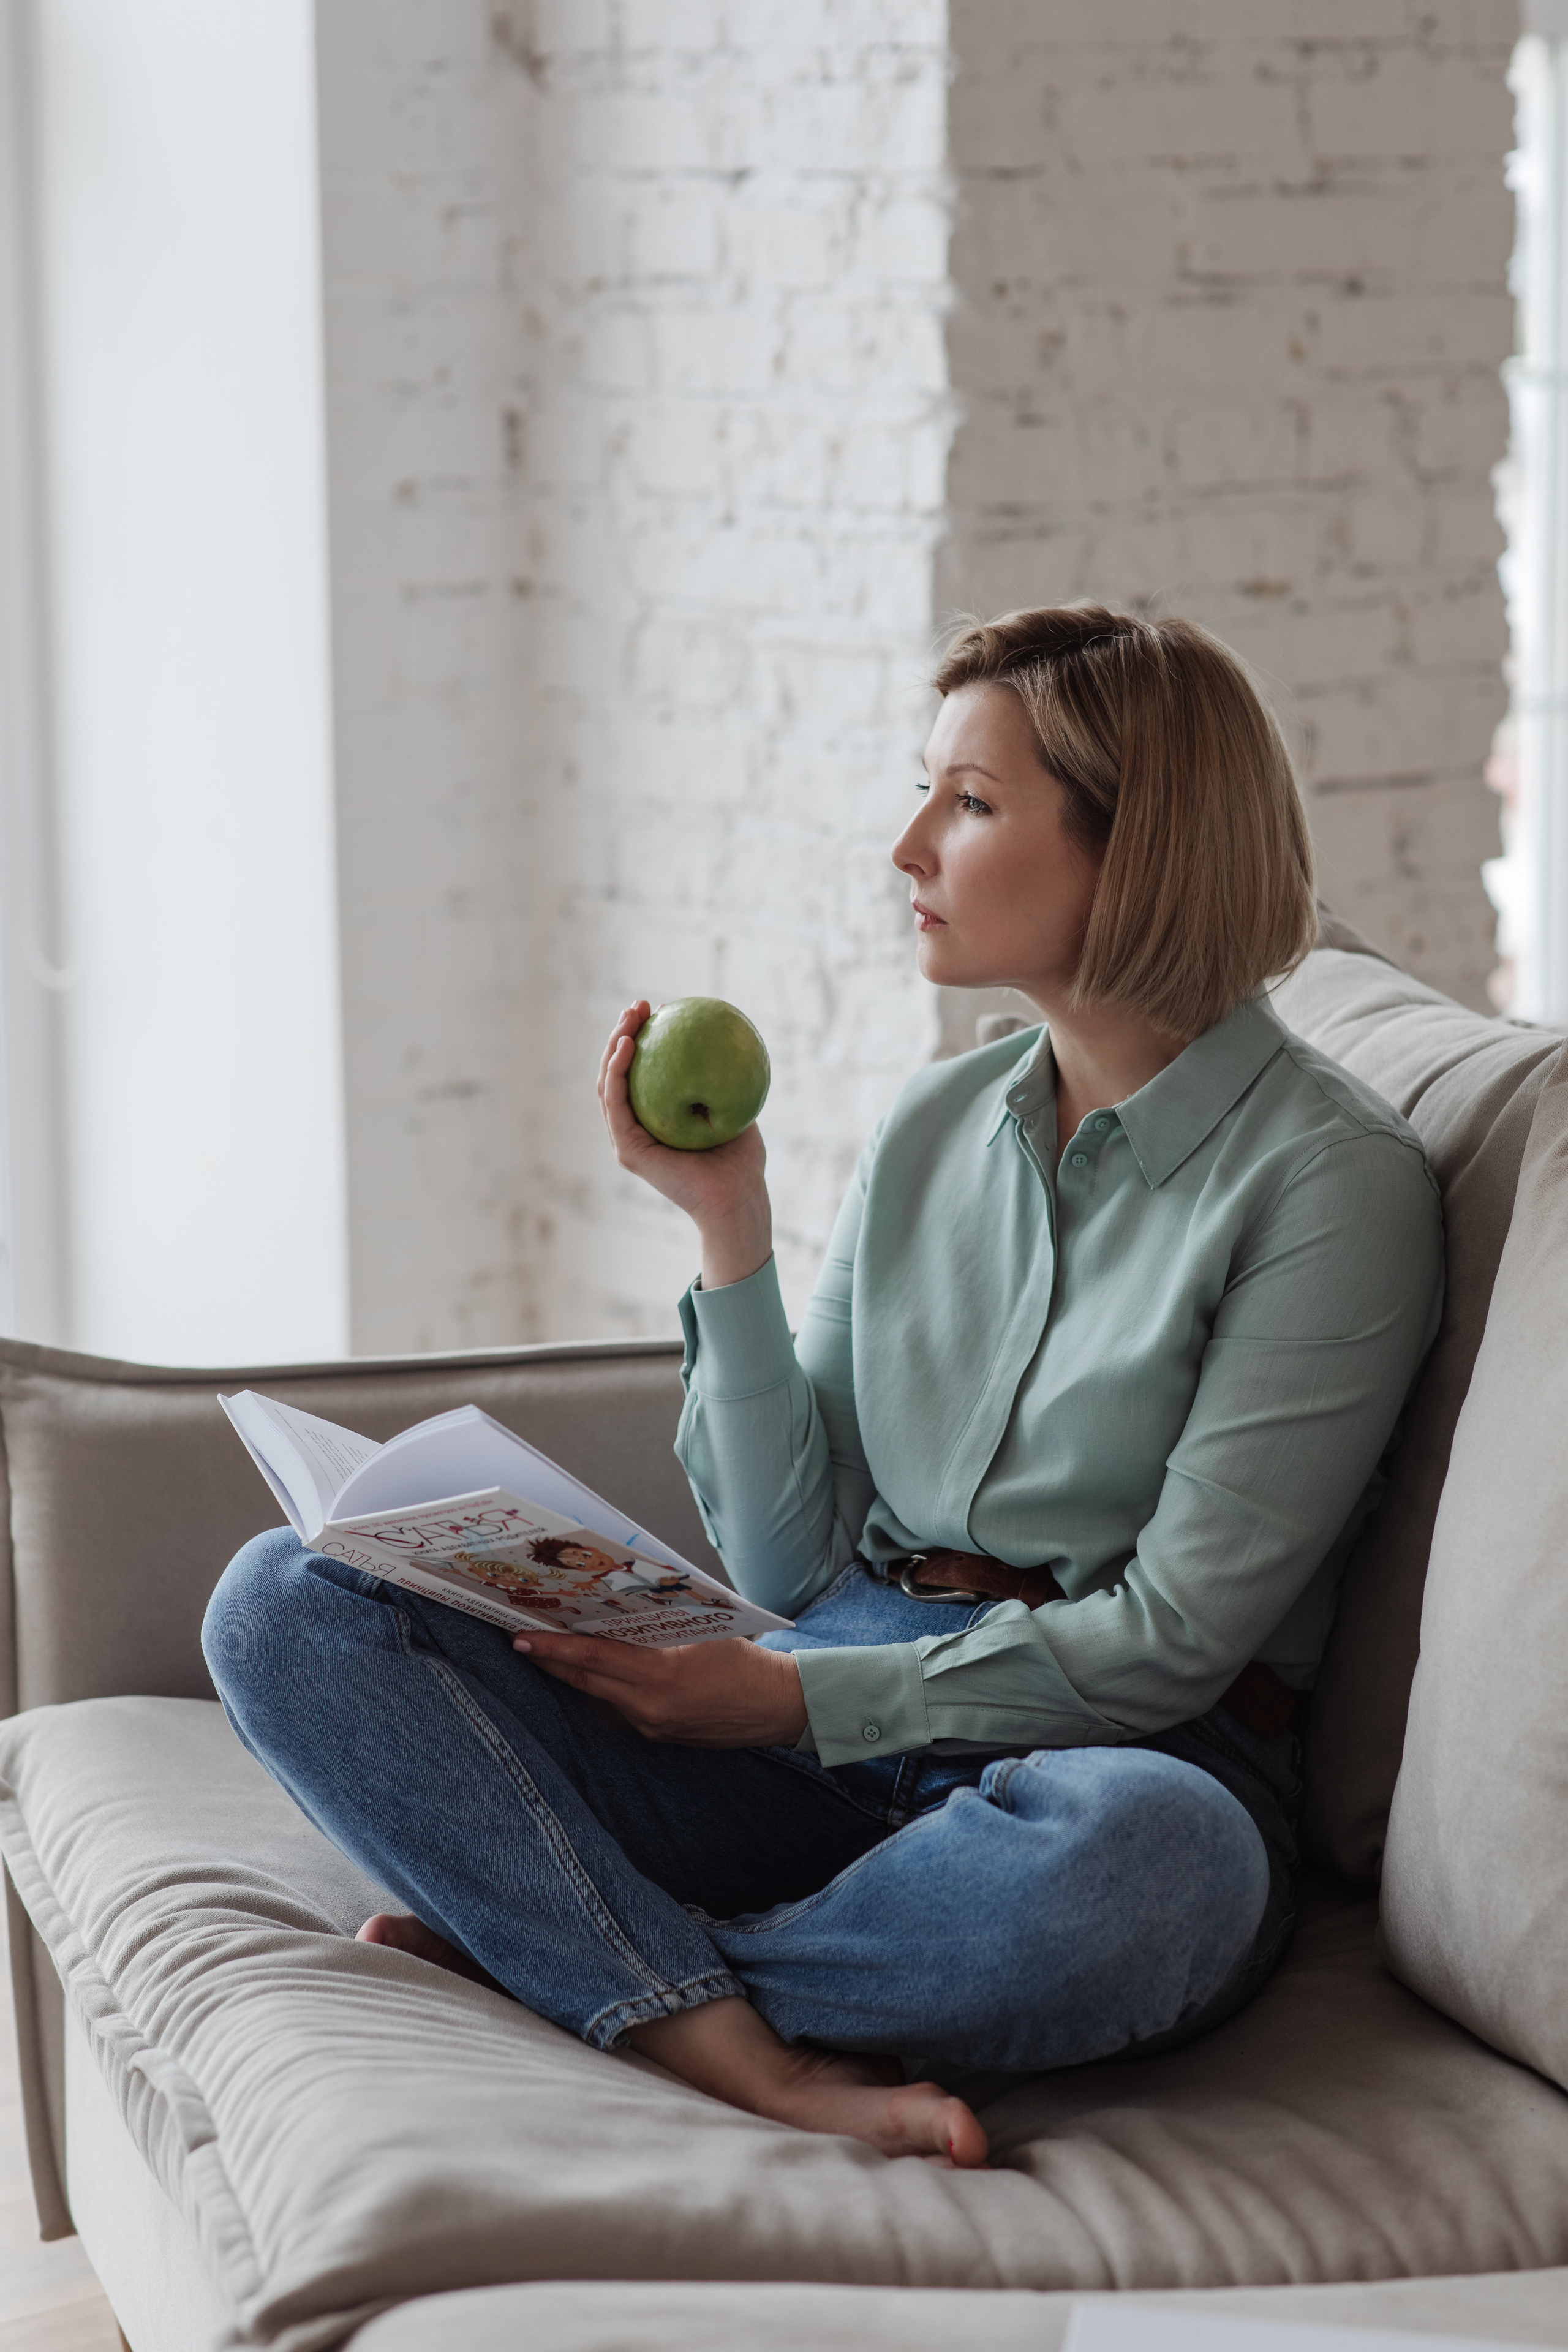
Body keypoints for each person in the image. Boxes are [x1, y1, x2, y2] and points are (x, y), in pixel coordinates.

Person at [203, 605, 1444, 2172]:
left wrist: (794, 1693)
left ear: (1139, 847)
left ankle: (601, 1973)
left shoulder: (1328, 1185)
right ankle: (725, 2026)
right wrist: (728, 1225)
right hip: (812, 1712)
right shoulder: (937, 1122)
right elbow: (792, 1568)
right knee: (284, 1601)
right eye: (923, 790)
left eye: (971, 802)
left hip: (1112, 1758)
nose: (908, 844)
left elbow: (1172, 1644)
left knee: (1155, 1869)